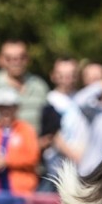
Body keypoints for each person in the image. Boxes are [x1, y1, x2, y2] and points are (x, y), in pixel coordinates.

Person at [39, 57, 90, 191]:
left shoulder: (84, 99)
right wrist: (74, 156)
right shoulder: (49, 101)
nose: (68, 79)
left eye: (72, 75)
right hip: (57, 173)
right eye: (63, 75)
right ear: (54, 76)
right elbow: (53, 135)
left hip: (83, 171)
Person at [0, 88, 41, 194]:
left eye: (9, 107)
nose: (6, 111)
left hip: (21, 189)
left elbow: (33, 157)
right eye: (2, 108)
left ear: (16, 109)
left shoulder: (26, 129)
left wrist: (7, 161)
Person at [0, 39, 50, 131]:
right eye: (9, 59)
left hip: (36, 143)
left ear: (28, 59)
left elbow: (49, 121)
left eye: (21, 58)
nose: (16, 62)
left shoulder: (40, 86)